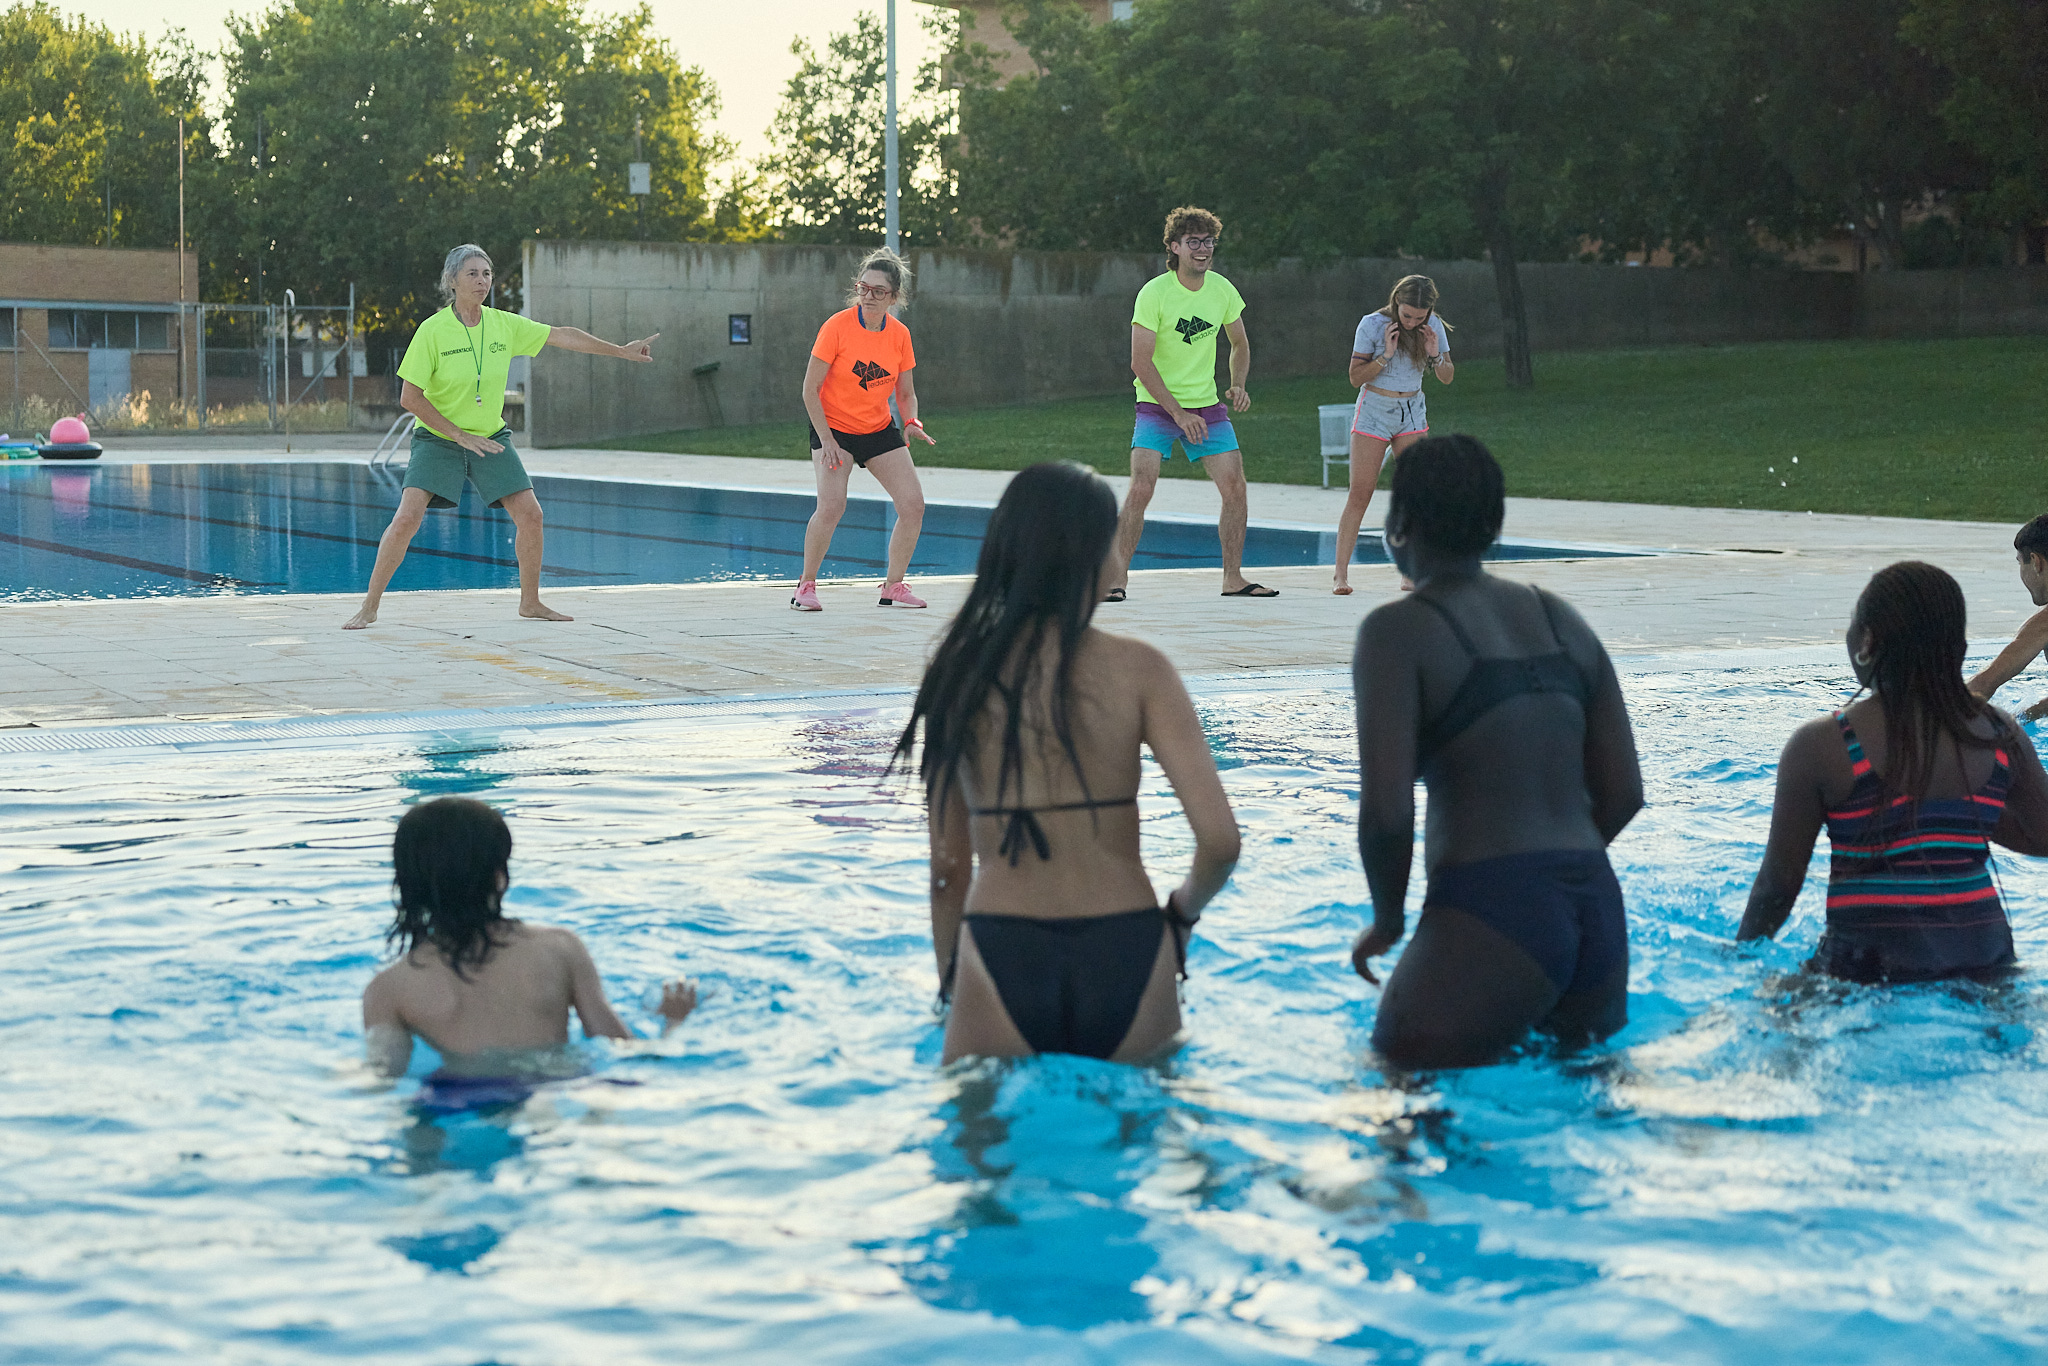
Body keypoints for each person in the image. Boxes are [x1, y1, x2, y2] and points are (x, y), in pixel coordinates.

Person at [894, 461, 1241, 1062]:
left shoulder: (957, 671)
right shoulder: (1143, 671)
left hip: (1002, 944)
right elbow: (1220, 842)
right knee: (1148, 1121)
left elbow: (947, 870)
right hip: (1129, 942)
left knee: (975, 1124)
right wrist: (1180, 919)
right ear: (1091, 556)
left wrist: (952, 984)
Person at [1351, 435, 1643, 1069]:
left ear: (1400, 524)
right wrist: (1556, 879)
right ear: (1494, 523)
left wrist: (1388, 921)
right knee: (1588, 1102)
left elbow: (1388, 816)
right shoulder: (1562, 618)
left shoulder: (1396, 632)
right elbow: (1625, 792)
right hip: (1596, 906)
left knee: (1396, 1090)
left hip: (1491, 905)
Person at [1738, 562, 2048, 983]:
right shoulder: (1998, 734)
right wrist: (1964, 814)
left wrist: (1736, 958)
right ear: (1958, 648)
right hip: (1985, 961)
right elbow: (2043, 837)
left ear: (1866, 641)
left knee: (1776, 1002)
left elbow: (1777, 887)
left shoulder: (1823, 745)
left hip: (1867, 966)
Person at [342, 244, 659, 630]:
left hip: (489, 436)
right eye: (473, 273)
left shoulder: (503, 325)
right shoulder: (432, 330)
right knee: (407, 518)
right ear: (452, 280)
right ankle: (370, 606)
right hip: (439, 438)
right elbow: (410, 398)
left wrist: (620, 351)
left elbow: (562, 335)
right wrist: (457, 434)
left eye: (487, 273)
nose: (482, 281)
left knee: (531, 515)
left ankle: (531, 602)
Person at [362, 797, 697, 1092]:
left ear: (406, 887)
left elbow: (382, 1076)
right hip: (553, 1084)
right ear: (498, 877)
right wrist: (674, 1022)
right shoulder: (560, 949)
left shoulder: (389, 988)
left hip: (453, 1095)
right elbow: (623, 1052)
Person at [1101, 206, 1275, 602]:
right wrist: (1177, 414)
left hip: (1206, 407)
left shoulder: (1222, 290)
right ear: (1174, 247)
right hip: (1157, 406)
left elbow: (1240, 343)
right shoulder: (1154, 293)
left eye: (1208, 241)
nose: (1203, 249)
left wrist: (1238, 383)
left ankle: (1233, 578)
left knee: (1235, 487)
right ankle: (1115, 579)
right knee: (1141, 487)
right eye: (1193, 241)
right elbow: (1140, 362)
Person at [791, 247, 937, 612]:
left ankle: (893, 586)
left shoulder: (900, 335)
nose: (868, 296)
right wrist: (827, 440)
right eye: (863, 288)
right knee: (831, 506)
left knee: (913, 505)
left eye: (878, 291)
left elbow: (906, 393)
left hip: (877, 428)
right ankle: (805, 587)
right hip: (834, 428)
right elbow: (809, 390)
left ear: (894, 296)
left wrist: (912, 421)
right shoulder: (836, 327)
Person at [1333, 275, 1455, 595]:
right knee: (1361, 492)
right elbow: (1355, 377)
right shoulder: (1373, 325)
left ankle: (1410, 572)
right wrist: (1384, 356)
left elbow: (1447, 376)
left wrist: (1435, 354)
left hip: (1411, 411)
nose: (1413, 322)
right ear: (1396, 302)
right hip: (1375, 410)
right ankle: (1340, 575)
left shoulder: (1432, 326)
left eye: (1420, 317)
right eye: (1407, 315)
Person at [1966, 512, 2048, 718]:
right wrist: (2028, 714)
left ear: (2036, 562)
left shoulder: (2043, 624)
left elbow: (1983, 684)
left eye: (2020, 563)